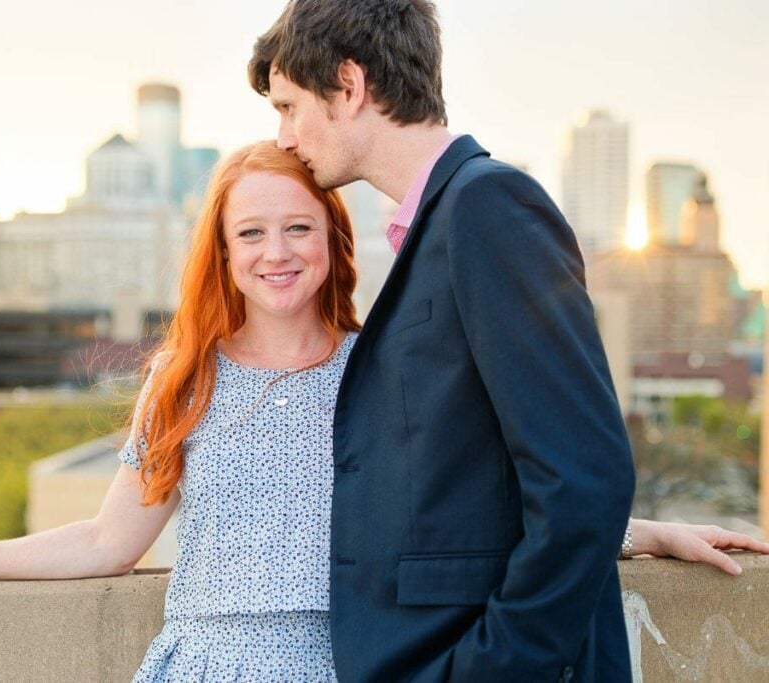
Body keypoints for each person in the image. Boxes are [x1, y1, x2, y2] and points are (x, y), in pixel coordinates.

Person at [0, 142, 767, 681]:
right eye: (251, 232)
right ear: (223, 250)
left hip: (352, 662)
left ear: (334, 238)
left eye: (298, 227)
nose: (276, 251)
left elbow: (488, 511)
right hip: (203, 664)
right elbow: (104, 542)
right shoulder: (182, 377)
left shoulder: (387, 369)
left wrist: (646, 531)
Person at [247, 2, 768, 681]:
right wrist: (640, 534)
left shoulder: (488, 207)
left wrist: (491, 670)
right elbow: (481, 480)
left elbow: (581, 479)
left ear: (348, 86)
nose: (284, 136)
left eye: (289, 106)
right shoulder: (438, 226)